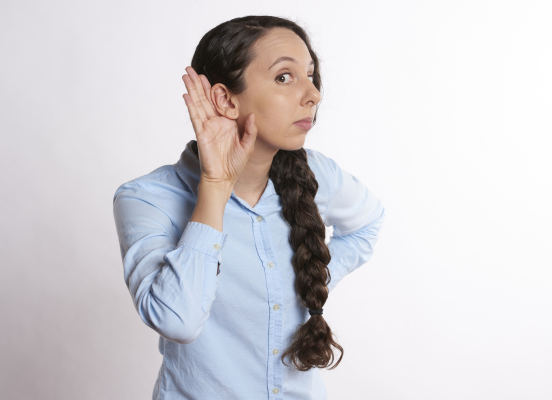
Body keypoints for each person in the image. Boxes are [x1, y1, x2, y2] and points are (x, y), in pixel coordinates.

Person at [112, 15, 386, 400]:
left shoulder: (317, 174)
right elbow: (178, 321)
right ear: (225, 99)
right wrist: (216, 186)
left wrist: (307, 282)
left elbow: (368, 222)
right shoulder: (147, 198)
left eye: (310, 75)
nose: (313, 94)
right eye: (284, 77)